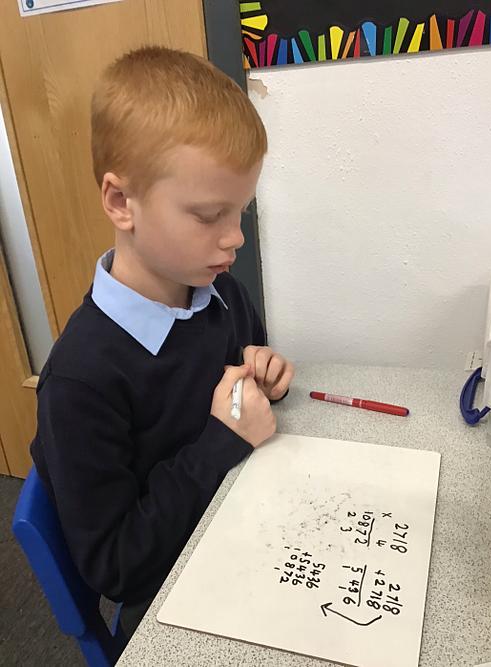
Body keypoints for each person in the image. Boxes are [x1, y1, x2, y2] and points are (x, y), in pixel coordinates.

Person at [30, 46, 294, 638]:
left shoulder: (220, 294)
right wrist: (223, 438)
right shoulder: (80, 382)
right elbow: (117, 567)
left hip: (246, 522)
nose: (235, 238)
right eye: (209, 215)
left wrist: (263, 373)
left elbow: (241, 378)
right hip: (171, 594)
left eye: (241, 212)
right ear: (120, 202)